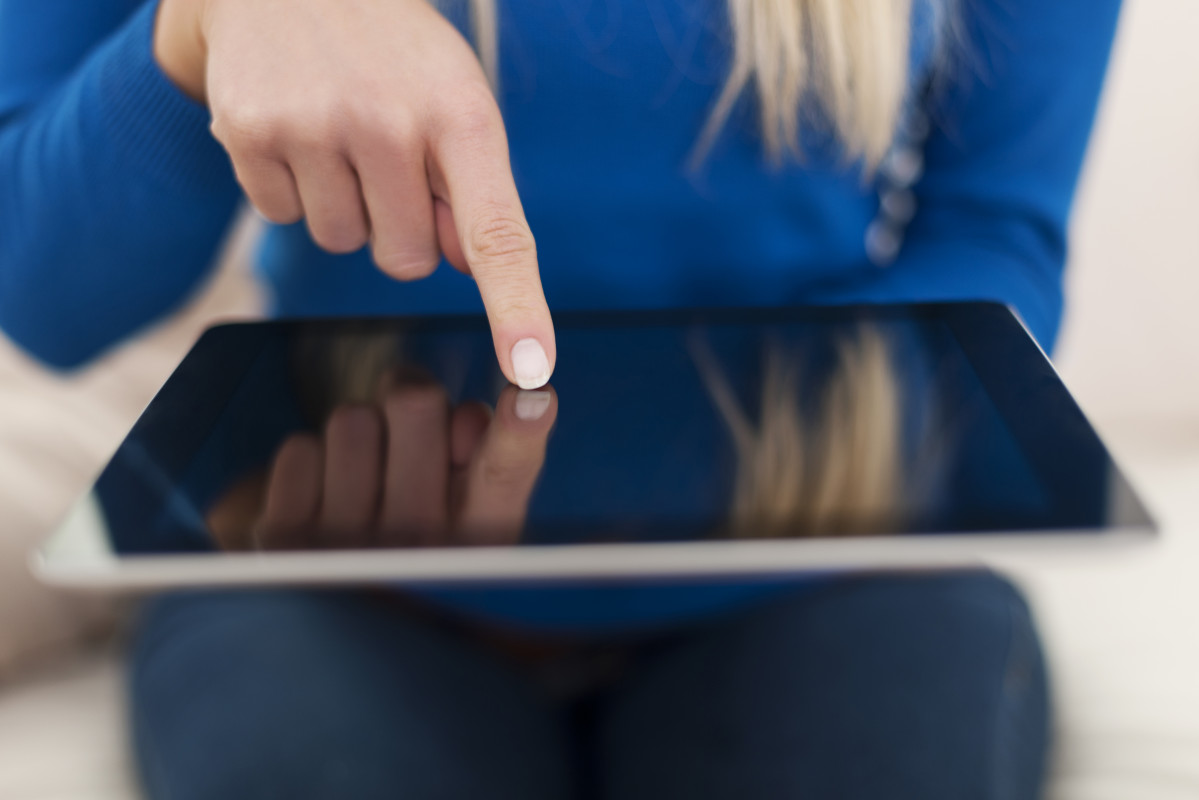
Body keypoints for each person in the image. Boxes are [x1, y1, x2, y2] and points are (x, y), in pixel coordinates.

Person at [0, 0, 1120, 796]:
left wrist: (738, 477)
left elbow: (992, 233)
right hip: (331, 567)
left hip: (820, 572)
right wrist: (198, 31)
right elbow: (42, 293)